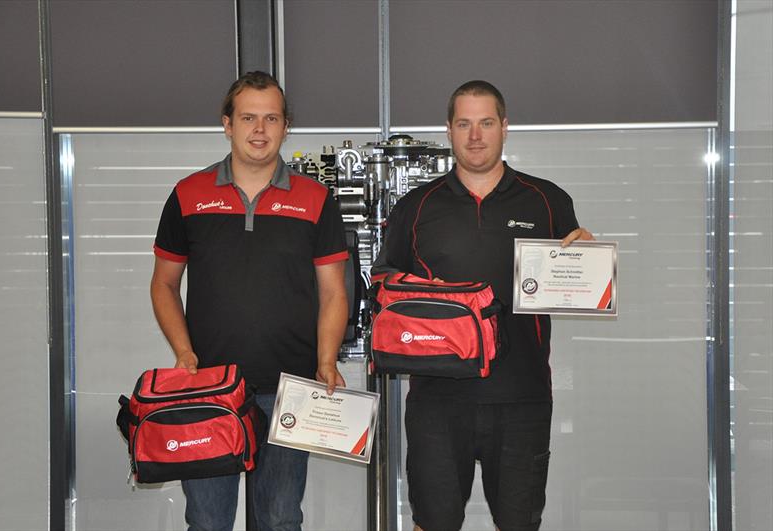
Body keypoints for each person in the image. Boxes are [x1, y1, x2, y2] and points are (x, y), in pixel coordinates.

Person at [371, 80, 593, 531]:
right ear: (449, 131)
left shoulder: (548, 200)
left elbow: (576, 275)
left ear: (505, 127)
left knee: (520, 523)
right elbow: (382, 285)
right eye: (464, 124)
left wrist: (588, 258)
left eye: (486, 123)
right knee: (433, 522)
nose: (476, 136)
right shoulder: (415, 207)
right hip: (436, 400)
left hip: (522, 397)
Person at [150, 71, 348, 531]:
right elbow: (163, 285)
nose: (260, 130)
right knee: (207, 521)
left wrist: (326, 359)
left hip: (288, 390)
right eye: (248, 118)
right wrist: (183, 353)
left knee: (280, 520)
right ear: (227, 124)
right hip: (209, 389)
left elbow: (334, 290)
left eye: (271, 119)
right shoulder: (187, 195)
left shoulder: (316, 199)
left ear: (285, 127)